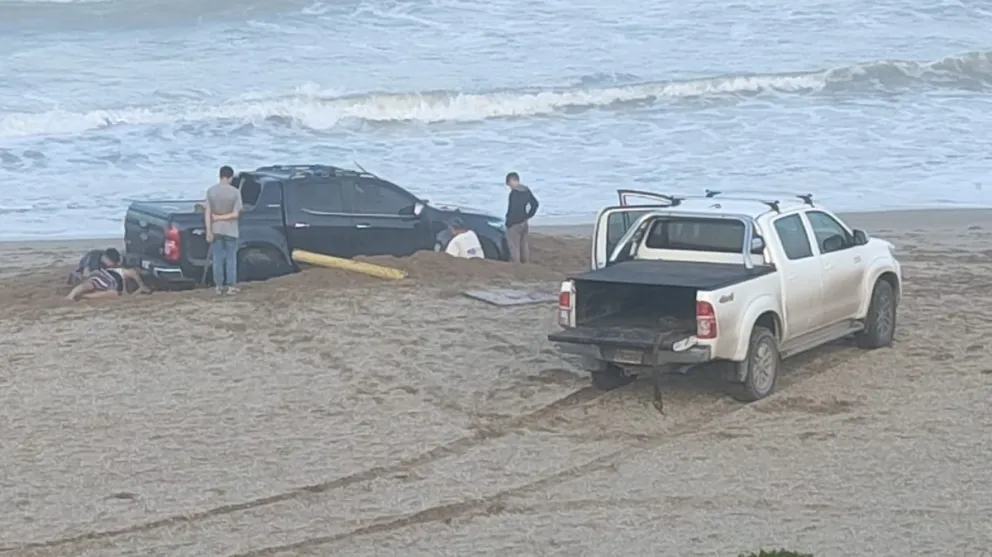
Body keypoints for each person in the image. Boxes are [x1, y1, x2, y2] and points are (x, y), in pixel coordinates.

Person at [205, 165, 243, 294]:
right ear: (231, 177)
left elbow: (207, 213)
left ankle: (218, 286)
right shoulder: (235, 192)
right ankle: (231, 286)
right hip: (231, 230)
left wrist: (209, 230)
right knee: (231, 258)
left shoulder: (211, 191)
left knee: (217, 258)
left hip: (216, 229)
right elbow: (235, 214)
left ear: (220, 176)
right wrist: (221, 217)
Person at [65, 251, 151, 301]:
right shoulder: (125, 271)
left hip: (100, 274)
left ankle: (72, 295)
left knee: (91, 283)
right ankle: (83, 296)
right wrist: (141, 287)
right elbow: (134, 278)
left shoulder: (118, 270)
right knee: (113, 293)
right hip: (110, 279)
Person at [504, 171, 539, 263]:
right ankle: (526, 264)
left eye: (509, 184)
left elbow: (513, 209)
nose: (509, 187)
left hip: (514, 224)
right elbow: (535, 204)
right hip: (524, 222)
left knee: (514, 246)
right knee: (524, 245)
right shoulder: (526, 190)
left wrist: (508, 223)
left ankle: (516, 266)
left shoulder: (514, 194)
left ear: (512, 181)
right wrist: (528, 215)